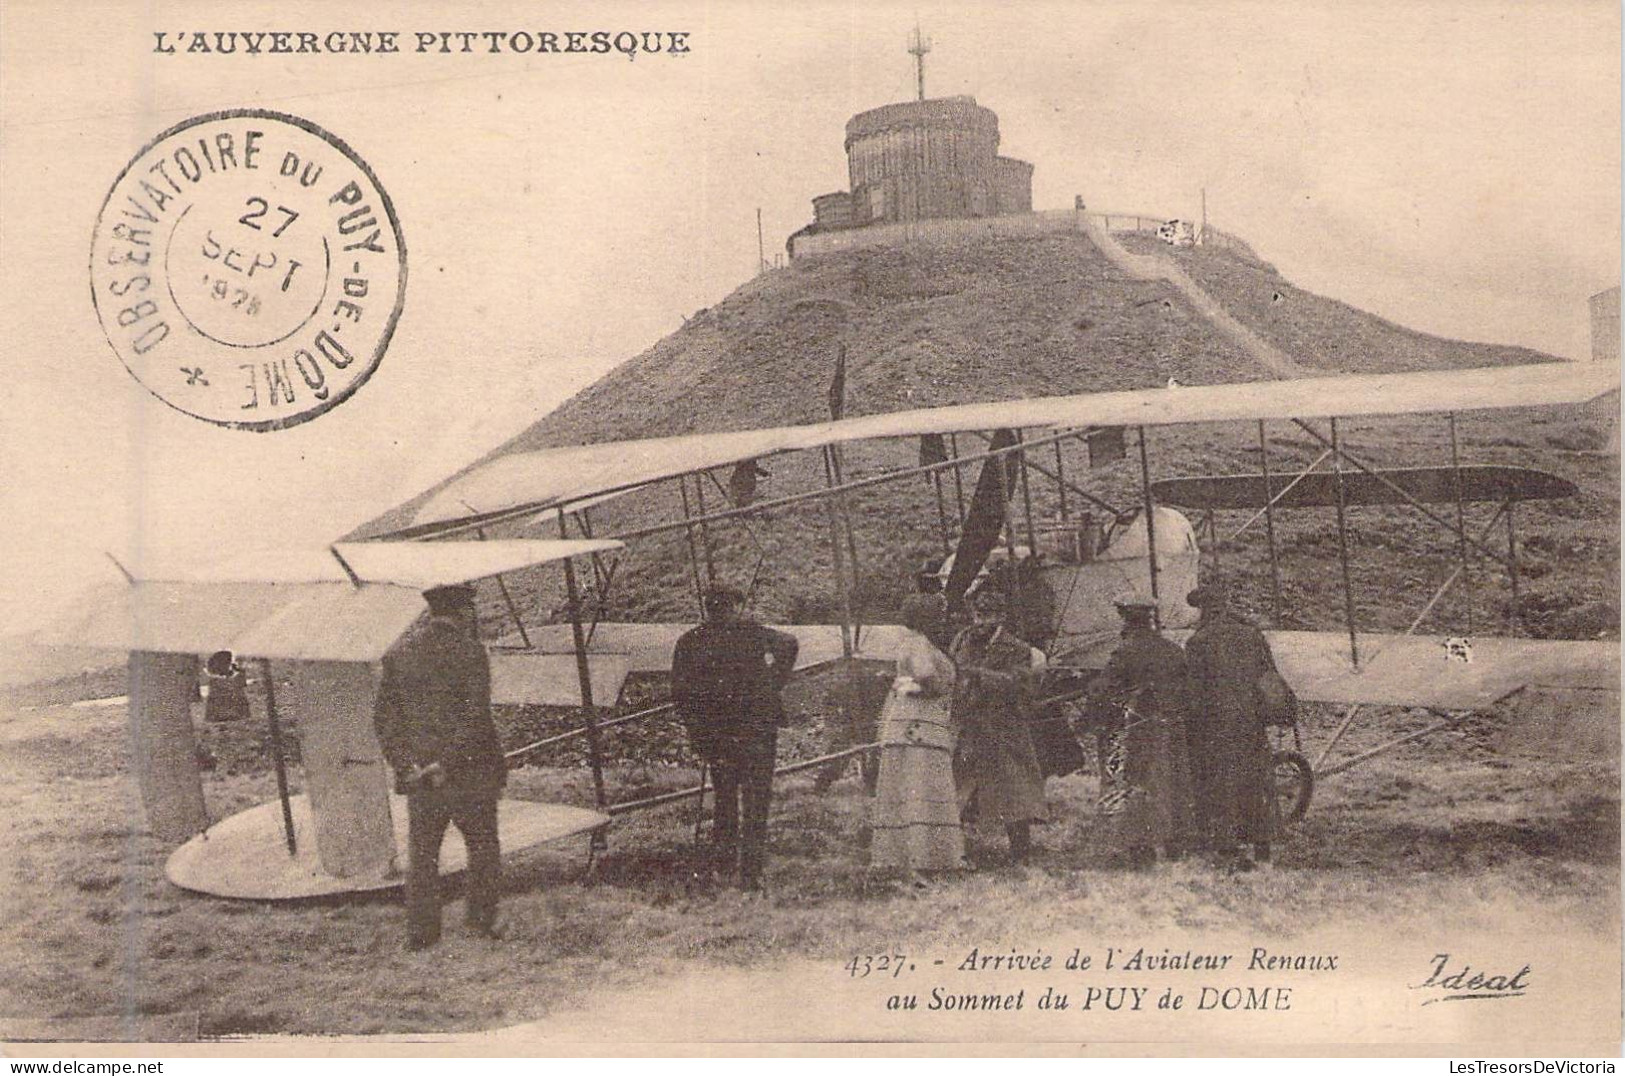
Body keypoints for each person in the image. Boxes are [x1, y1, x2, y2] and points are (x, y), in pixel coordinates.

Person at [372, 583, 506, 949]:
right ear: (463, 612)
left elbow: (385, 719)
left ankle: (422, 934)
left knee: (423, 855)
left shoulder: (400, 653)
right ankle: (479, 924)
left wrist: (406, 765)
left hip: (420, 778)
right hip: (469, 772)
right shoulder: (470, 652)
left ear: (430, 611)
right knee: (482, 847)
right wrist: (445, 762)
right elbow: (475, 717)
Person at [671, 585, 799, 890]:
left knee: (726, 797)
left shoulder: (691, 641)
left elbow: (680, 693)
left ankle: (725, 863)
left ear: (709, 608)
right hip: (756, 730)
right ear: (733, 606)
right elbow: (790, 644)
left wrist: (697, 730)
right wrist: (773, 683)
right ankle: (750, 871)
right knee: (757, 799)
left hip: (718, 734)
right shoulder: (752, 633)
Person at [1083, 595, 1195, 869]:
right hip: (1172, 726)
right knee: (1174, 783)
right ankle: (1175, 845)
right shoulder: (1173, 650)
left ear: (1125, 618)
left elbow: (1105, 690)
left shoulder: (1126, 652)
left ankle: (1142, 848)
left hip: (1140, 729)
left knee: (1137, 786)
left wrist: (1090, 696)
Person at [1183, 579, 1282, 872]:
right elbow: (1270, 677)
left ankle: (1227, 846)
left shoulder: (1198, 642)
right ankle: (1262, 845)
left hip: (1215, 725)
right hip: (1250, 721)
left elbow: (1194, 691)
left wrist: (1191, 724)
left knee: (1220, 782)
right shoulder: (1252, 635)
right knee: (1255, 779)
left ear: (1203, 609)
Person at [949, 584, 1048, 864]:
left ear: (1001, 617)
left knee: (1014, 792)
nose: (981, 622)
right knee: (959, 789)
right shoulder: (961, 641)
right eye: (979, 615)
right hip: (969, 727)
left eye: (989, 616)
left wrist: (980, 676)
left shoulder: (1017, 648)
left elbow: (1021, 684)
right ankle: (956, 850)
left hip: (1003, 728)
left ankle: (1021, 852)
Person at [869, 596, 965, 872]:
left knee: (909, 787)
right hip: (921, 722)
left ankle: (908, 855)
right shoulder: (920, 642)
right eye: (939, 614)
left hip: (909, 721)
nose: (943, 620)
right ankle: (927, 857)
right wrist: (941, 689)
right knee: (923, 785)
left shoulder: (910, 642)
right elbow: (927, 676)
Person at [203, 650, 249, 724]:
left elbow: (242, 684)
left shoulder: (232, 675)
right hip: (224, 708)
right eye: (229, 662)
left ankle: (233, 714)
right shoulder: (216, 680)